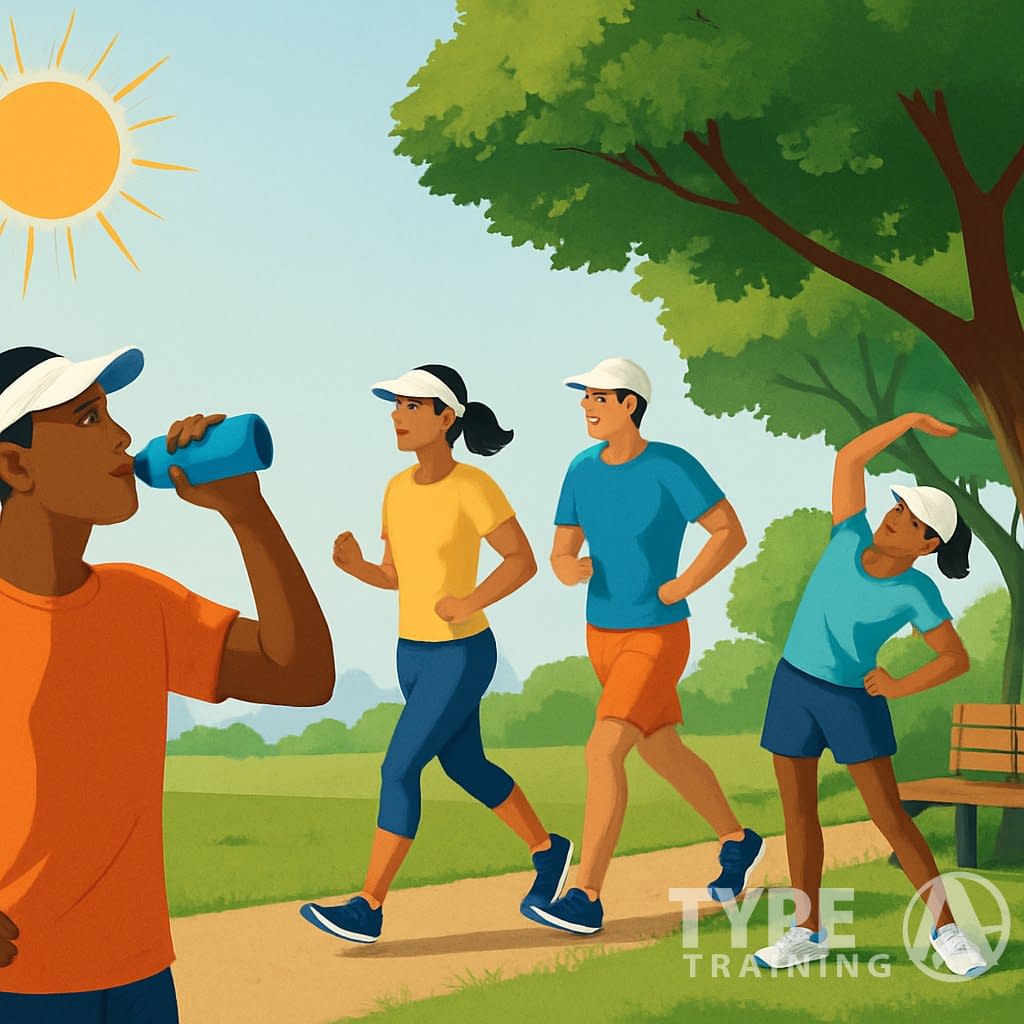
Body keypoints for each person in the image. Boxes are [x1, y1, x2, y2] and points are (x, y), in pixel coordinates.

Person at [0, 345, 335, 1022]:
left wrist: (246, 513)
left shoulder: (138, 602)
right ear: (15, 465)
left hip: (137, 976)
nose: (124, 436)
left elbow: (300, 675)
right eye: (89, 420)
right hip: (18, 984)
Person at [300, 364, 572, 943]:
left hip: (461, 654)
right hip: (412, 655)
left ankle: (368, 906)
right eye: (395, 406)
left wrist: (469, 600)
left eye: (411, 406)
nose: (396, 416)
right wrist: (357, 569)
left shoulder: (473, 487)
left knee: (398, 768)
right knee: (464, 765)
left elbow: (520, 561)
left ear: (447, 418)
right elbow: (399, 576)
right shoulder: (396, 489)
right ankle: (549, 850)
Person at [527, 357, 764, 936]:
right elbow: (560, 550)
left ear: (630, 404)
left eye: (598, 399)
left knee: (604, 751)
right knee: (661, 749)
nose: (586, 407)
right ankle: (738, 840)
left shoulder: (670, 465)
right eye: (584, 398)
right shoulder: (580, 469)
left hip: (658, 635)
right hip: (600, 635)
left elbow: (729, 531)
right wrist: (567, 569)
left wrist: (684, 584)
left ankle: (585, 895)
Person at [752, 413, 989, 977]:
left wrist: (900, 685)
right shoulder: (849, 533)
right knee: (798, 815)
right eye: (898, 506)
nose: (894, 516)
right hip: (793, 686)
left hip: (851, 703)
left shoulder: (916, 590)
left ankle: (948, 932)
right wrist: (907, 421)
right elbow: (849, 459)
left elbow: (955, 657)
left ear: (929, 544)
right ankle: (806, 932)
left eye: (911, 520)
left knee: (890, 817)